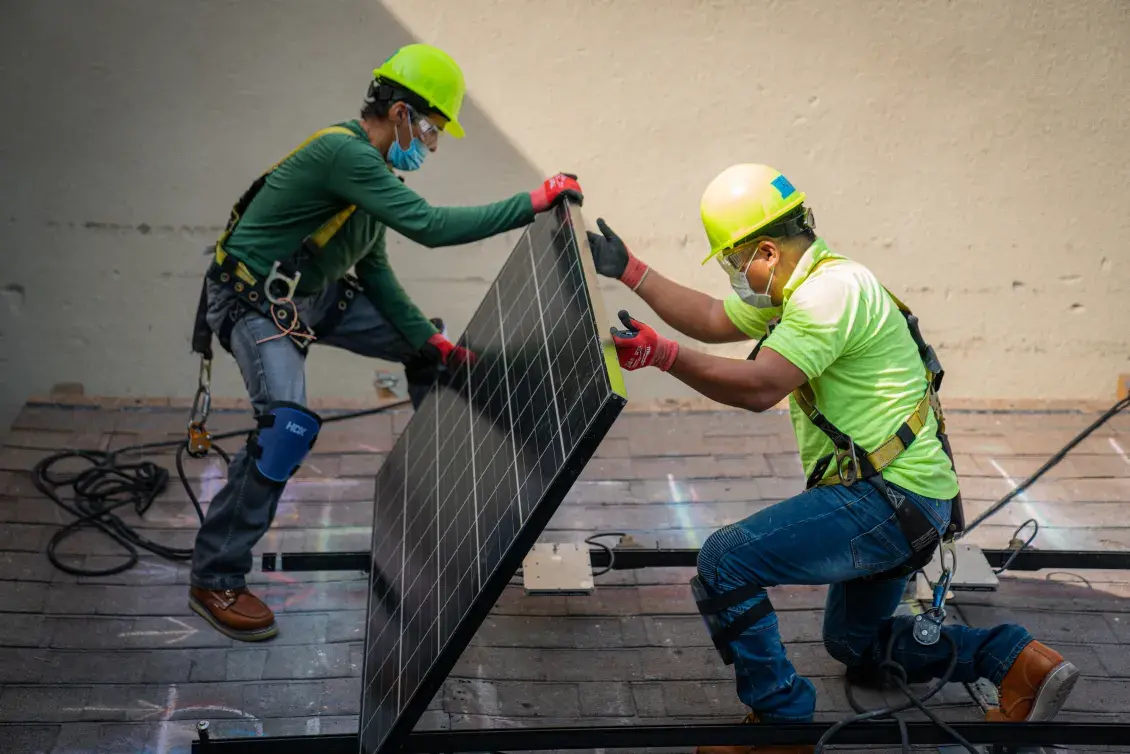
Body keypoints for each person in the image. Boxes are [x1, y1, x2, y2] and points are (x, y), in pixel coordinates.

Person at [587, 163, 1079, 753]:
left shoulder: (826, 298)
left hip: (886, 501)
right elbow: (715, 319)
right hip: (913, 501)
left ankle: (781, 726)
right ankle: (1015, 659)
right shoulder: (810, 282)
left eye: (733, 263)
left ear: (766, 252)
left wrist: (665, 357)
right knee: (856, 646)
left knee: (726, 559)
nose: (734, 277)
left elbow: (759, 386)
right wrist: (632, 271)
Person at [187, 43, 583, 641]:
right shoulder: (343, 154)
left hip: (310, 299)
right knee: (286, 427)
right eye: (429, 128)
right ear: (400, 112)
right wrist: (533, 202)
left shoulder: (372, 177)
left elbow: (373, 269)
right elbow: (430, 227)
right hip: (253, 302)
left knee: (430, 352)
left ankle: (456, 518)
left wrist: (429, 341)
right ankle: (214, 576)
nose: (430, 142)